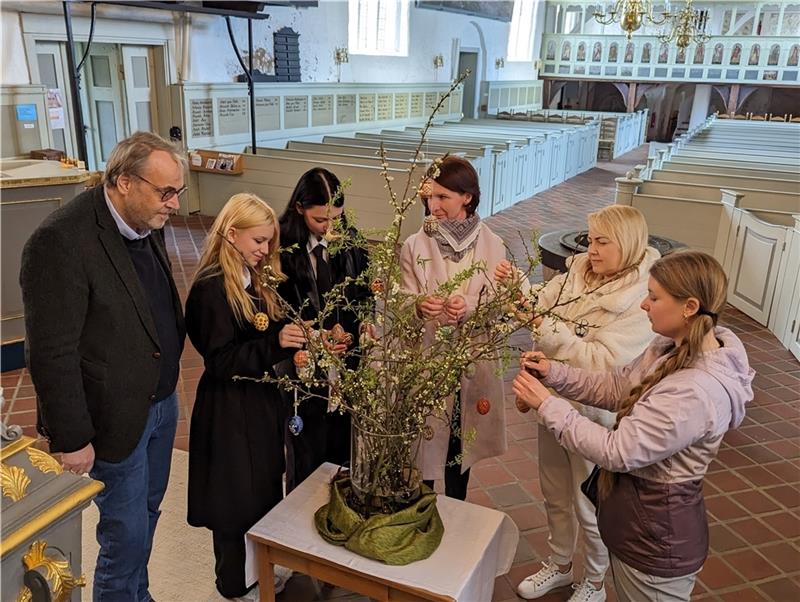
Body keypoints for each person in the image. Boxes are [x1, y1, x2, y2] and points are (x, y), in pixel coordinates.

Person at [513, 251, 754, 602]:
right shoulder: (670, 347)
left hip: (657, 538)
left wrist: (547, 404)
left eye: (654, 297)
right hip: (638, 524)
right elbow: (615, 387)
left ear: (689, 306)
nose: (644, 304)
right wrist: (556, 373)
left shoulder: (694, 391)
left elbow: (618, 451)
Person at [20, 132, 186, 601]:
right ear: (124, 182)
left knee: (149, 514)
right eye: (165, 192)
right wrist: (71, 438)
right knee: (125, 535)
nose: (174, 205)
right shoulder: (59, 242)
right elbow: (51, 353)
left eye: (178, 192)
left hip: (160, 403)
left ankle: (139, 595)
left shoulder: (144, 221)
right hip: (113, 414)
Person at [505, 205, 659, 602]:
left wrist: (546, 329)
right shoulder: (576, 272)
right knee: (554, 492)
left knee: (587, 502)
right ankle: (558, 564)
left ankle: (593, 581)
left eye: (602, 242)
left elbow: (603, 364)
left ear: (626, 244)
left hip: (593, 416)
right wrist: (516, 288)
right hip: (550, 400)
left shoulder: (640, 299)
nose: (592, 249)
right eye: (590, 240)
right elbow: (541, 303)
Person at [185, 193, 302, 600]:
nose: (266, 250)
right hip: (229, 407)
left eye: (270, 242)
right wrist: (275, 345)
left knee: (265, 486)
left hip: (260, 401)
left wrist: (295, 343)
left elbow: (267, 331)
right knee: (234, 498)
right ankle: (234, 585)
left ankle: (261, 573)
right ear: (231, 234)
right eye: (258, 241)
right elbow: (219, 359)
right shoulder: (211, 287)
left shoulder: (256, 278)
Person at [400, 155, 506, 500]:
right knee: (426, 445)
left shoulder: (493, 244)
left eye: (443, 197)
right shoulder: (415, 244)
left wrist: (470, 307)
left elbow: (502, 305)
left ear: (467, 198)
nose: (433, 205)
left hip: (471, 361)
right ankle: (424, 512)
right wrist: (418, 307)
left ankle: (458, 510)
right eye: (430, 197)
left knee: (461, 448)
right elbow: (400, 302)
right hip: (431, 358)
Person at [277, 168, 370, 492]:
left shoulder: (352, 240)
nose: (331, 229)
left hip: (345, 363)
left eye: (336, 219)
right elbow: (276, 308)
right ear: (300, 208)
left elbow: (363, 297)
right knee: (306, 450)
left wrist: (357, 327)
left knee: (343, 448)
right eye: (321, 221)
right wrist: (313, 338)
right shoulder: (282, 247)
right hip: (304, 366)